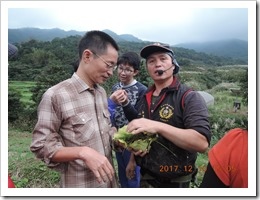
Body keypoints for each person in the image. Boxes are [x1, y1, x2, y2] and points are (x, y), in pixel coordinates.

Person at [30, 30, 119, 188]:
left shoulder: (101, 92)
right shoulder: (56, 95)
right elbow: (41, 146)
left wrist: (119, 137)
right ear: (87, 56)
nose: (111, 72)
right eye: (108, 65)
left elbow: (102, 131)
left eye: (114, 67)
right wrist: (82, 152)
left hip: (108, 184)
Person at [120, 42, 211, 188]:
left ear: (173, 65)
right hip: (146, 176)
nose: (157, 64)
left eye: (163, 59)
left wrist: (157, 126)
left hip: (175, 181)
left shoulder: (189, 97)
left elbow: (201, 143)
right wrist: (132, 160)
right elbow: (141, 132)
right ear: (147, 68)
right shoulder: (145, 96)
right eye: (151, 61)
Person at [108, 52, 147, 187]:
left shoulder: (142, 90)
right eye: (120, 68)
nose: (123, 72)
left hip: (133, 142)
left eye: (128, 70)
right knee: (122, 176)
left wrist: (125, 103)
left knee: (133, 177)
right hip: (118, 140)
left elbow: (139, 120)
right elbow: (111, 111)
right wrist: (113, 130)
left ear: (135, 72)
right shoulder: (115, 87)